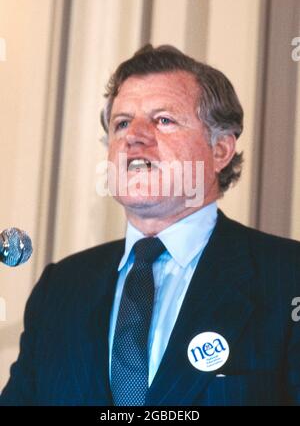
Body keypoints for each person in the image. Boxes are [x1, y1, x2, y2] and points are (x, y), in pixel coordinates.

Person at [0, 44, 300, 406]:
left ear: (220, 150)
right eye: (122, 123)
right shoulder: (59, 289)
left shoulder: (287, 277)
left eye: (163, 120)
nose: (134, 137)